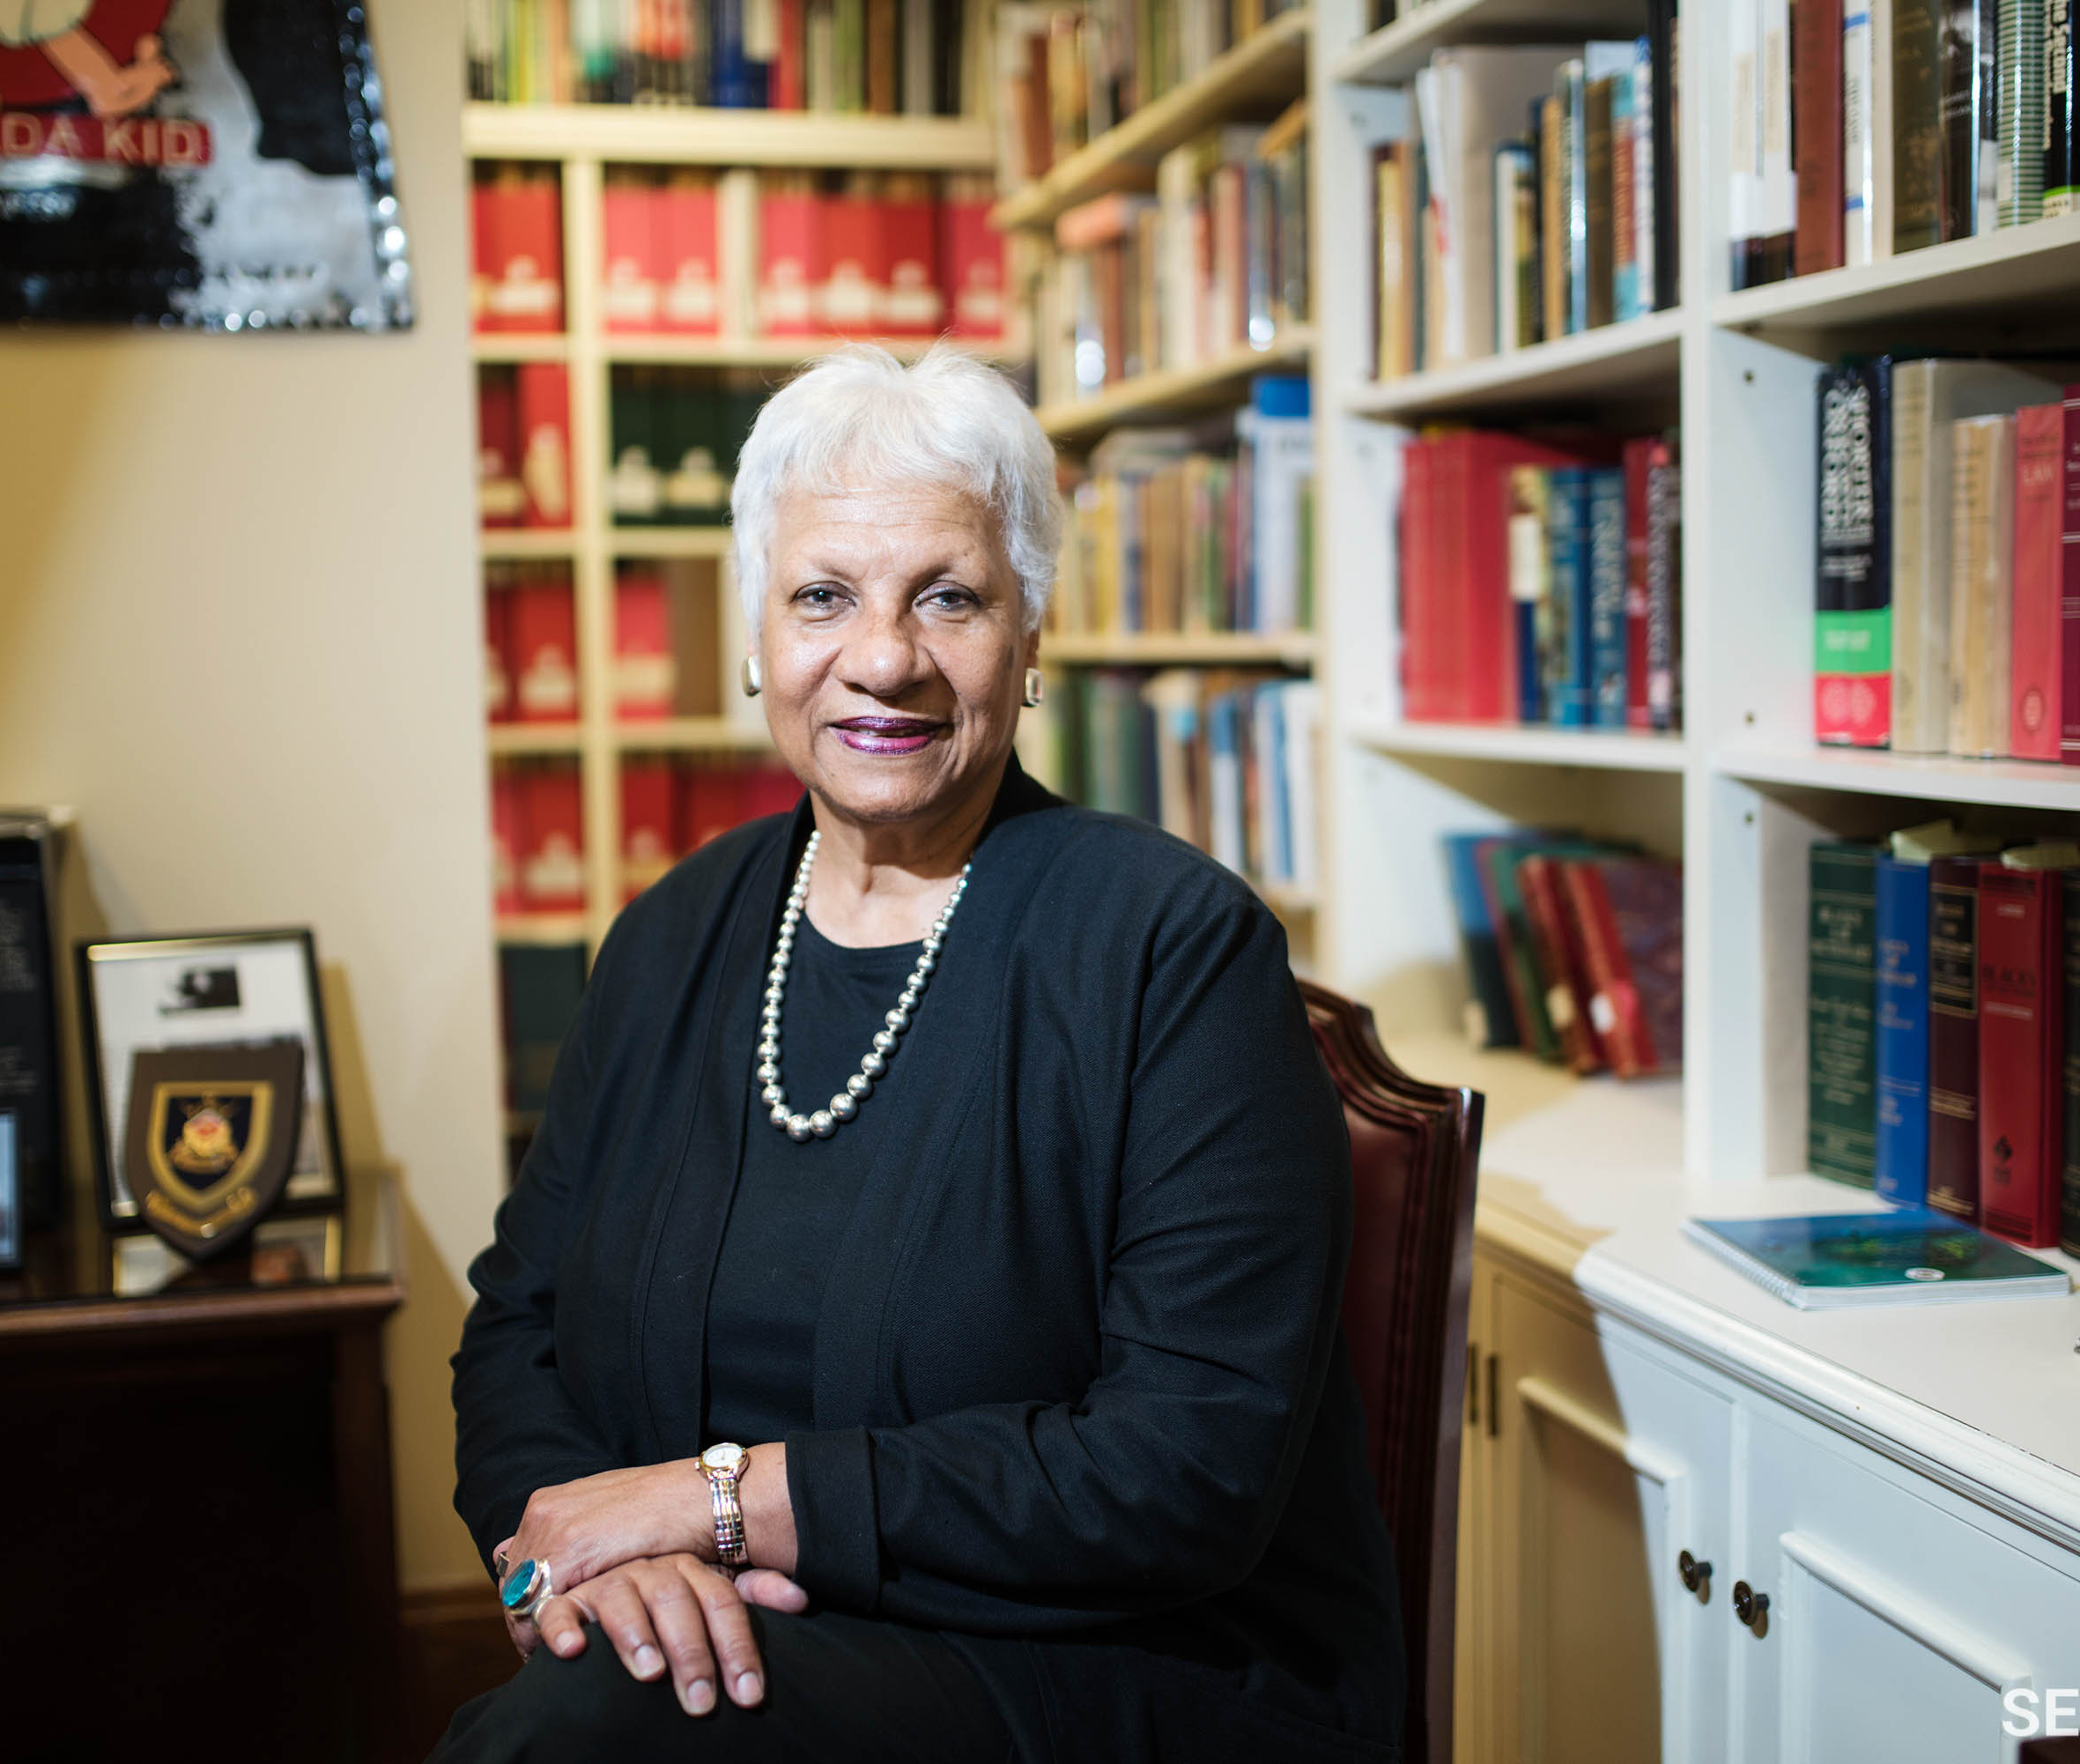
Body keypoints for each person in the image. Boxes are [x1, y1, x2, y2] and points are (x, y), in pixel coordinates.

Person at [435, 344, 1403, 1763]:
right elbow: (513, 1329)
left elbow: (1184, 1468)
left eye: (947, 596)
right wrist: (599, 1558)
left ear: (1028, 642)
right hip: (721, 1643)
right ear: (758, 633)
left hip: (1109, 1670)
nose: (881, 657)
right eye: (823, 595)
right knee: (593, 1713)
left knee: (568, 1741)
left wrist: (712, 1504)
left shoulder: (1174, 950)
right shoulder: (671, 936)